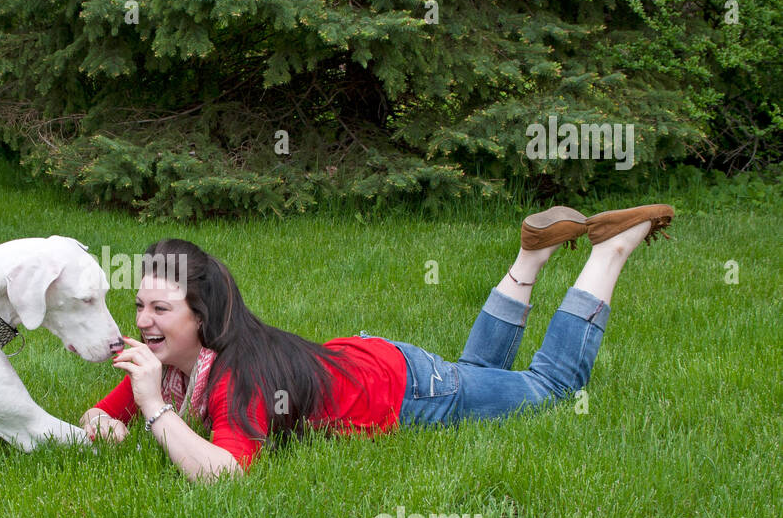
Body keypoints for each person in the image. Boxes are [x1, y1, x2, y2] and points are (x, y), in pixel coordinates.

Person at [78, 204, 674, 481]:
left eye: (161, 307)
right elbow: (98, 419)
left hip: (406, 391)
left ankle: (608, 251)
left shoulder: (240, 375)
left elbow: (226, 474)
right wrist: (122, 416)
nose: (144, 320)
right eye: (139, 306)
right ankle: (531, 253)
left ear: (202, 316)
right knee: (473, 373)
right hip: (362, 360)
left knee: (552, 387)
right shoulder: (177, 366)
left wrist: (155, 412)